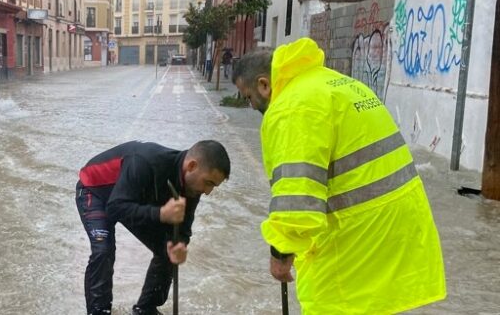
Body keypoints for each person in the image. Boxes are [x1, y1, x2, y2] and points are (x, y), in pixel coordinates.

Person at [232, 37, 446, 314]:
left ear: (264, 84)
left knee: (329, 305)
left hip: (356, 236)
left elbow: (297, 203)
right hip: (399, 229)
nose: (250, 106)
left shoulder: (291, 107)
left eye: (248, 96)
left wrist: (280, 254)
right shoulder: (336, 83)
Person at [76, 140, 230, 315]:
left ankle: (146, 309)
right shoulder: (145, 161)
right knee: (103, 250)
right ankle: (98, 311)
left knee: (168, 249)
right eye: (208, 182)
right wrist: (161, 214)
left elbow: (183, 228)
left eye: (213, 186)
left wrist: (180, 245)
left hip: (130, 199)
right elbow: (114, 208)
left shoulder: (192, 186)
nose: (208, 192)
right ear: (192, 166)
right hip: (95, 192)